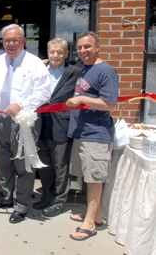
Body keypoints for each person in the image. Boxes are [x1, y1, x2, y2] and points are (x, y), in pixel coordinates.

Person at [0, 24, 51, 224]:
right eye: (7, 40)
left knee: (23, 164)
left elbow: (44, 93)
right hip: (0, 120)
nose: (11, 44)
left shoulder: (34, 63)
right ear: (2, 42)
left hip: (23, 122)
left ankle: (21, 205)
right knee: (3, 161)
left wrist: (21, 104)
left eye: (15, 40)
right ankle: (5, 197)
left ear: (23, 40)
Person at [66, 31, 118, 241]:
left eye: (87, 46)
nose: (82, 51)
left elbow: (109, 104)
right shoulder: (85, 69)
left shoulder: (106, 71)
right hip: (82, 133)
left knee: (95, 179)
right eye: (79, 47)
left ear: (98, 47)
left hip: (96, 135)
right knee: (86, 176)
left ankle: (90, 224)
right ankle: (94, 215)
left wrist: (81, 100)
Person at [33, 38, 82, 217]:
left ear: (66, 54)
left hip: (62, 126)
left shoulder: (75, 72)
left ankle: (59, 202)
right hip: (40, 125)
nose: (55, 55)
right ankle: (47, 196)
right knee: (44, 166)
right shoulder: (40, 71)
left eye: (60, 52)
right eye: (52, 52)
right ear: (48, 53)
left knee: (61, 167)